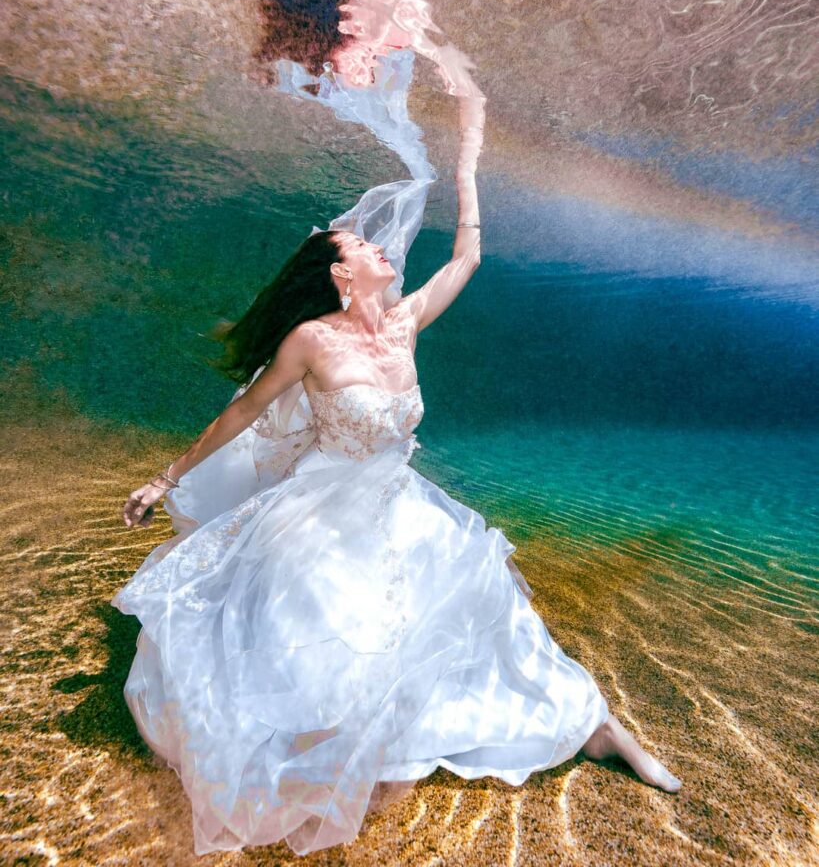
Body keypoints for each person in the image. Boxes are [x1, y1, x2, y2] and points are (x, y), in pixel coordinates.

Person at [114, 163, 682, 859]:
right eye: (360, 245)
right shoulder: (311, 340)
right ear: (337, 274)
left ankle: (592, 727)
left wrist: (469, 159)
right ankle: (323, 749)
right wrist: (163, 480)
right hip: (320, 512)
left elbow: (466, 257)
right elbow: (244, 412)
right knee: (322, 641)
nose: (380, 246)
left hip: (396, 501)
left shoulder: (403, 322)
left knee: (494, 610)